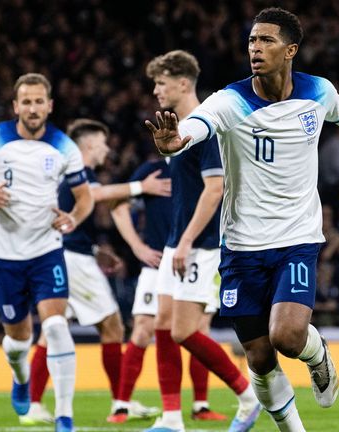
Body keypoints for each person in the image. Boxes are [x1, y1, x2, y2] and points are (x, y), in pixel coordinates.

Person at [144, 8, 339, 431]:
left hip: (297, 237)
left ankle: (318, 354)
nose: (255, 48)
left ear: (291, 49)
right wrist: (174, 144)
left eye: (267, 41)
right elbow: (197, 127)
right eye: (252, 41)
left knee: (288, 337)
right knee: (258, 357)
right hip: (240, 245)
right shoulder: (229, 100)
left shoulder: (317, 92)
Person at [0, 73, 94, 432]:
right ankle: (20, 377)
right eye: (25, 102)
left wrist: (73, 219)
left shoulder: (64, 147)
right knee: (18, 341)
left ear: (50, 105)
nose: (32, 108)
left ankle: (64, 416)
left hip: (46, 250)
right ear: (16, 106)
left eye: (38, 101)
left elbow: (85, 198)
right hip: (4, 253)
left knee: (57, 326)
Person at [140, 50, 262, 432]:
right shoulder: (179, 128)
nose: (156, 90)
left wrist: (189, 240)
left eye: (161, 82)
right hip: (178, 241)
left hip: (202, 243)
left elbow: (215, 188)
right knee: (162, 323)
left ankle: (247, 395)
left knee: (184, 331)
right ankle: (172, 417)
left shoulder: (206, 124)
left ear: (182, 83)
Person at [21, 119, 168, 425]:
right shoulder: (78, 171)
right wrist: (141, 187)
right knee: (113, 326)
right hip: (72, 260)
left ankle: (33, 405)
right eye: (102, 143)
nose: (106, 149)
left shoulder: (64, 170)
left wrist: (94, 251)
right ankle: (120, 402)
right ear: (88, 145)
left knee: (54, 330)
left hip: (64, 254)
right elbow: (94, 194)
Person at [109, 154, 228, 424]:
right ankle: (121, 405)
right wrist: (137, 247)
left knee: (200, 330)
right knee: (143, 329)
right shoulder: (152, 170)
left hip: (199, 257)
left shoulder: (206, 164)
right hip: (159, 263)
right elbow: (118, 207)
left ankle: (200, 405)